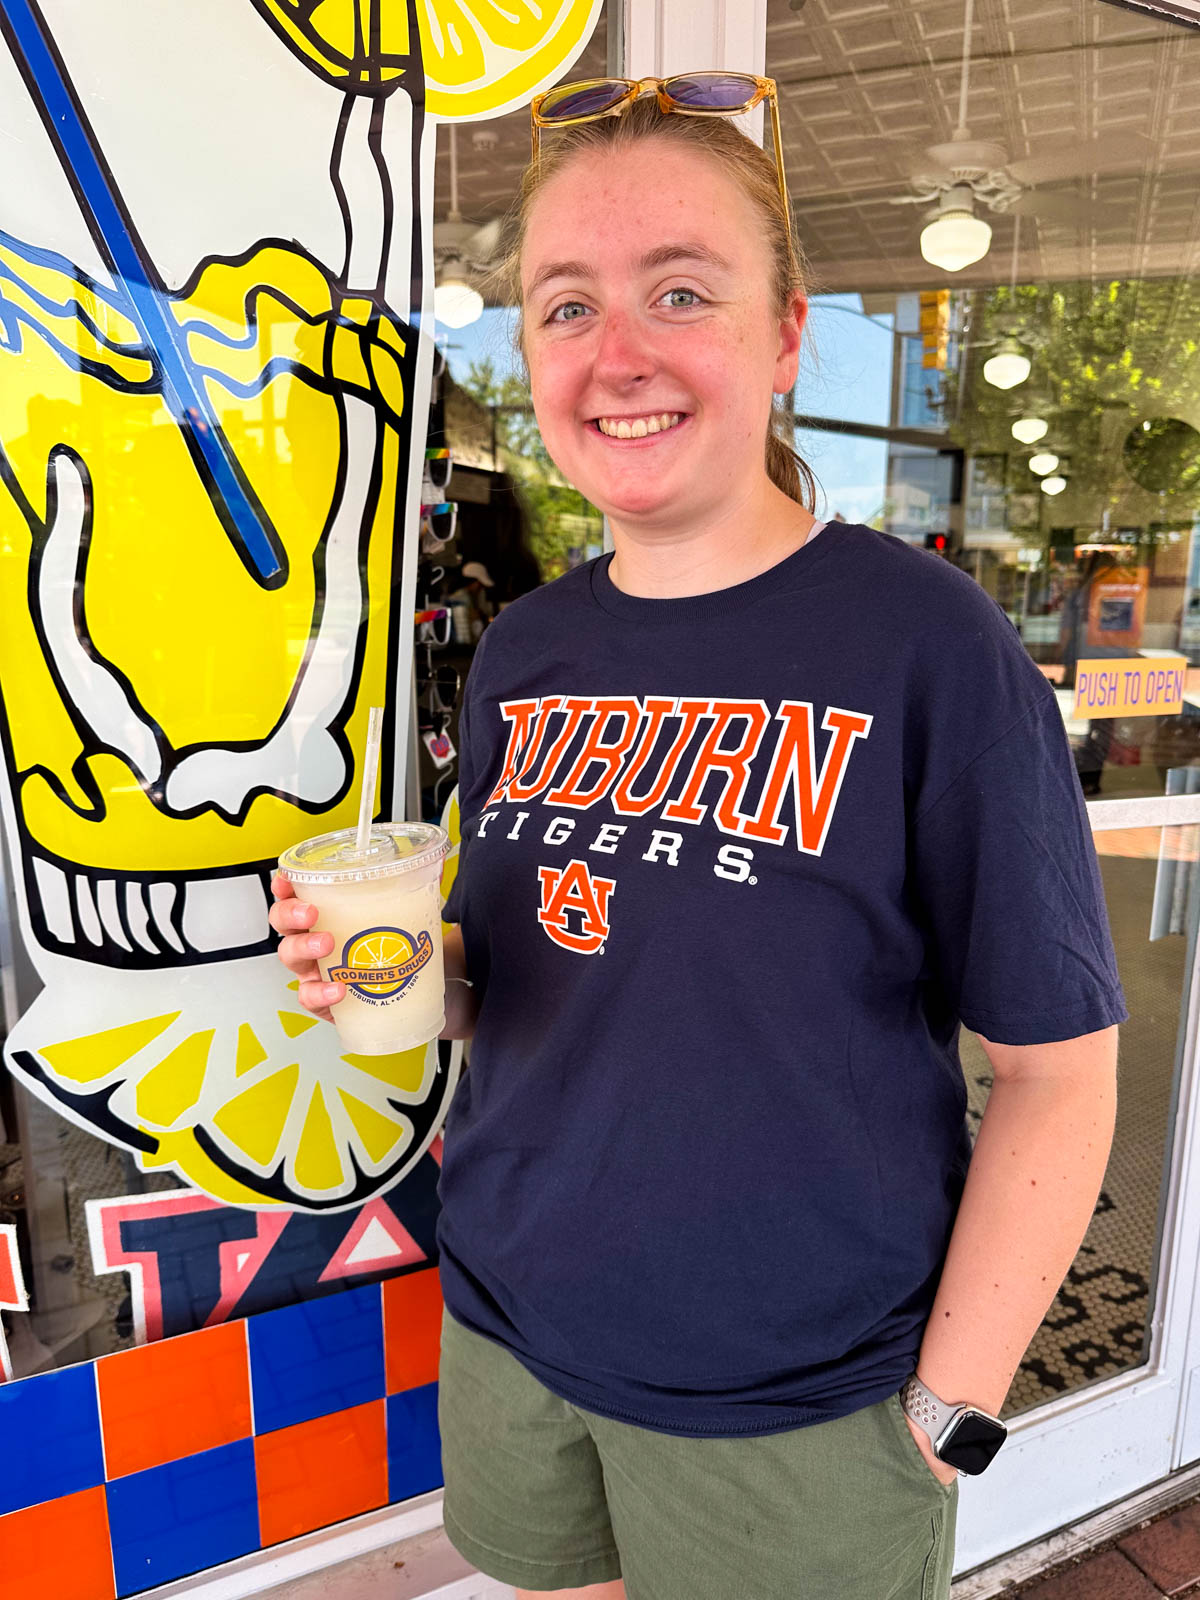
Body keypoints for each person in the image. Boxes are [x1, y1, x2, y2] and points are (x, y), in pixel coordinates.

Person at [271, 77, 1127, 1600]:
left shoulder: (923, 643)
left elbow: (1059, 1070)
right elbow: (516, 981)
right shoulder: (527, 647)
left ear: (785, 332)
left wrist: (949, 1409)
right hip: (514, 1325)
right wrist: (396, 967)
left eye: (681, 290)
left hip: (800, 1397)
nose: (618, 357)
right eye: (564, 305)